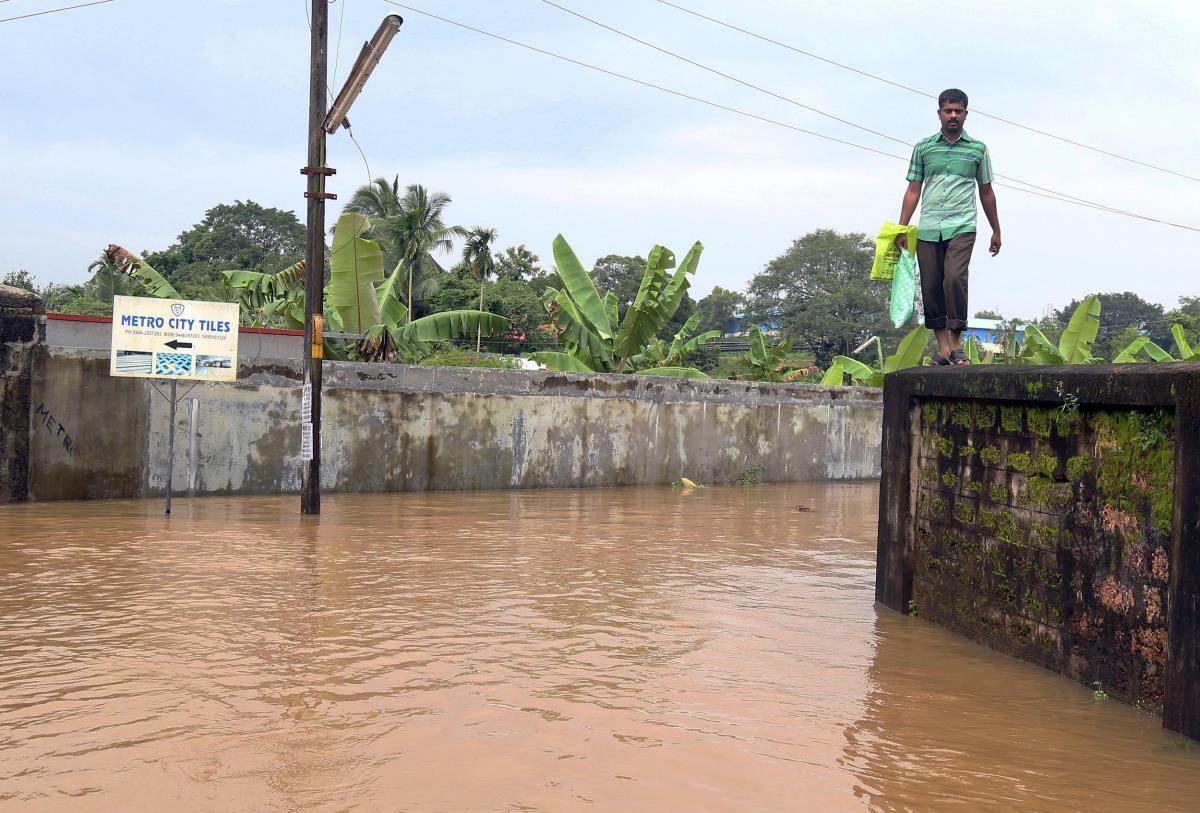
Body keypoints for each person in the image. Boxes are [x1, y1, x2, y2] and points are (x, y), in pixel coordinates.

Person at [896, 88, 1001, 365]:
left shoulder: (977, 149)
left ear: (966, 114)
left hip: (962, 224)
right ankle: (944, 348)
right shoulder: (924, 148)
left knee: (954, 278)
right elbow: (913, 190)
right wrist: (902, 228)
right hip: (929, 226)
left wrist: (996, 229)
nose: (953, 115)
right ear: (939, 113)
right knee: (930, 286)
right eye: (948, 110)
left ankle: (956, 344)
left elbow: (986, 191)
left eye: (958, 111)